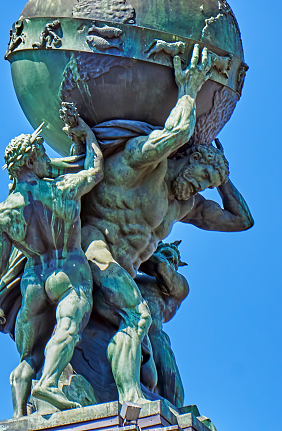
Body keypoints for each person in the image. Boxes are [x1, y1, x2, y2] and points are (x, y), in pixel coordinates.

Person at [81, 44, 254, 405]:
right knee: (138, 314)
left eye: (205, 185)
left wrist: (220, 175)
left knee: (154, 348)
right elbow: (174, 135)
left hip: (124, 271)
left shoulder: (180, 204)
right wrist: (189, 89)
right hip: (93, 249)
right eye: (199, 177)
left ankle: (144, 396)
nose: (197, 187)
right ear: (185, 159)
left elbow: (241, 221)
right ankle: (131, 400)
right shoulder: (139, 161)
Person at [0, 110, 103, 418]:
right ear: (31, 161)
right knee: (68, 327)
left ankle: (20, 415)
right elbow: (96, 171)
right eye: (43, 154)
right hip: (68, 271)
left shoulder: (2, 214)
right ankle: (48, 384)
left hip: (33, 280)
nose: (47, 160)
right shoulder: (61, 189)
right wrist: (88, 136)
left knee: (28, 357)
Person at [137, 241, 189, 408]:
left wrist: (134, 252)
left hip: (154, 335)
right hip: (126, 328)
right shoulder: (133, 277)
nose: (170, 262)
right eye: (166, 254)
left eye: (174, 261)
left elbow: (160, 266)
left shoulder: (179, 285)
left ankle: (175, 413)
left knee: (169, 384)